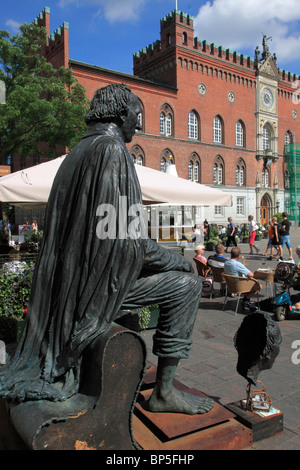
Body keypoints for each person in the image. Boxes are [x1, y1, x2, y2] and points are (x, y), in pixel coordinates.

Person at [0, 83, 214, 416]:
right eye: (136, 115)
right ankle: (164, 392)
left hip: (66, 292)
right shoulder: (113, 152)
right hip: (89, 294)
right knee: (187, 285)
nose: (138, 125)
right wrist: (179, 261)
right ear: (120, 113)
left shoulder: (77, 153)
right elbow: (126, 239)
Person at [224, 247, 260, 311]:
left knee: (248, 281)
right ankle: (246, 299)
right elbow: (251, 274)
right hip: (239, 286)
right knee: (258, 286)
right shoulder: (237, 264)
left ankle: (247, 300)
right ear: (239, 256)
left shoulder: (226, 263)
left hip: (230, 286)